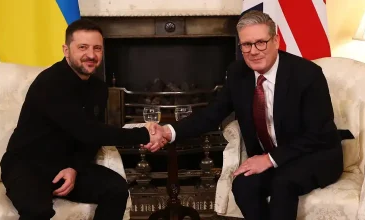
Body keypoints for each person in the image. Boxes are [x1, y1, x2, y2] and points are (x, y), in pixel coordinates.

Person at [146, 10, 343, 220]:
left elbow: (317, 135)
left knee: (283, 183)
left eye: (261, 42)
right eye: (246, 45)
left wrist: (269, 159)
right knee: (243, 184)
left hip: (315, 155)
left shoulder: (307, 75)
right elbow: (211, 114)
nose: (254, 51)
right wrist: (169, 131)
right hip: (275, 159)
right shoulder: (238, 73)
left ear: (276, 41)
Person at [0, 18, 165, 220]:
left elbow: (91, 139)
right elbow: (88, 130)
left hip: (66, 165)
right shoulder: (50, 83)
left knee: (116, 189)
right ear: (66, 50)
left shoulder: (98, 88)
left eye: (97, 48)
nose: (91, 55)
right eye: (83, 47)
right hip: (26, 164)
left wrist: (74, 168)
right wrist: (145, 134)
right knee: (37, 211)